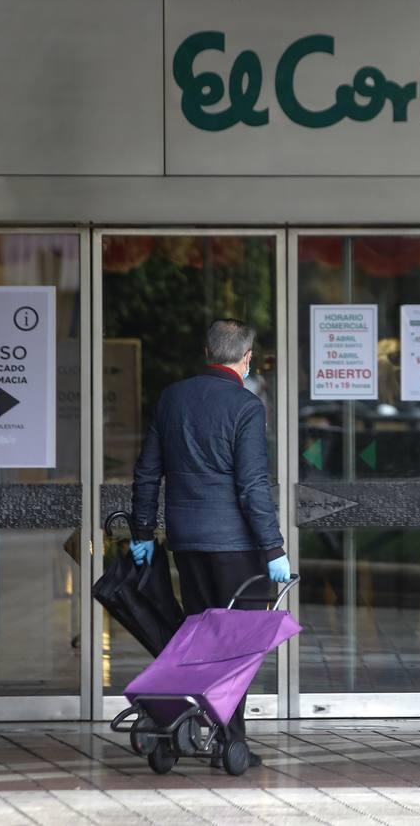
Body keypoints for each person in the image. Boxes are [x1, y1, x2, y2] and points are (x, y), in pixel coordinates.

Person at [130, 318, 290, 768]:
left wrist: (143, 533)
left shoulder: (172, 399)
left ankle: (183, 723)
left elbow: (146, 473)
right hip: (237, 548)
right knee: (236, 644)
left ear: (206, 350)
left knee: (199, 635)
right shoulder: (245, 406)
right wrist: (274, 548)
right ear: (246, 358)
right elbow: (252, 487)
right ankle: (229, 740)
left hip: (187, 542)